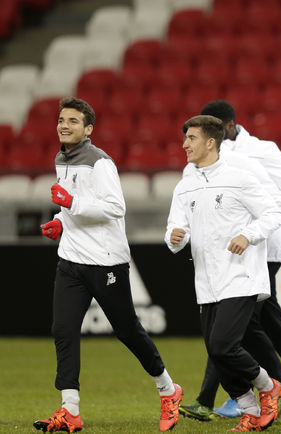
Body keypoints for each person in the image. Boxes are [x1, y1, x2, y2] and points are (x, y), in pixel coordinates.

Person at [34, 97, 182, 433]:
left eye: (73, 121)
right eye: (61, 120)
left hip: (105, 261)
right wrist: (60, 221)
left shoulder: (100, 162)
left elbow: (116, 207)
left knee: (127, 330)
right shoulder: (61, 158)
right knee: (63, 330)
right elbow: (74, 206)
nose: (64, 125)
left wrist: (71, 203)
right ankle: (70, 410)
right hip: (71, 259)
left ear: (88, 129)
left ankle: (168, 390)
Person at [196, 100, 281, 419]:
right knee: (267, 320)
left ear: (228, 126)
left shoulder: (261, 150)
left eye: (213, 128)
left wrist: (265, 209)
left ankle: (236, 393)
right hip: (239, 246)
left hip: (266, 244)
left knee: (239, 321)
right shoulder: (214, 157)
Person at [165, 115, 281, 432]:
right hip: (206, 281)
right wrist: (175, 237)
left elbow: (272, 213)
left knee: (222, 346)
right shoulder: (185, 185)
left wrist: (248, 235)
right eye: (185, 138)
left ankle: (269, 385)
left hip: (240, 276)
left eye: (191, 138)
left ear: (210, 142)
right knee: (218, 353)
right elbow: (175, 228)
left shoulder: (239, 178)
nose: (185, 144)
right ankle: (250, 411)